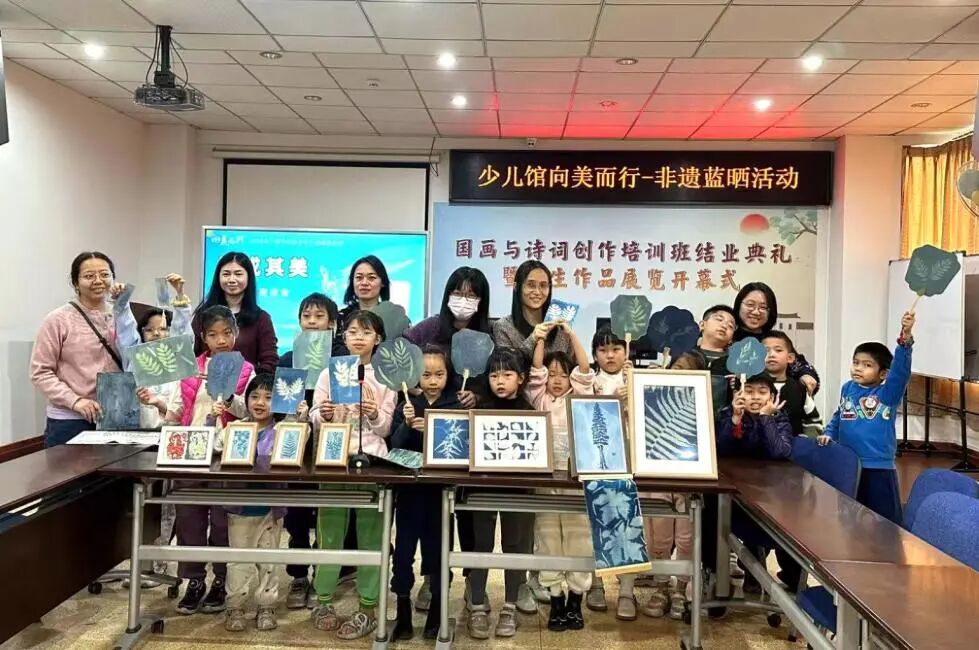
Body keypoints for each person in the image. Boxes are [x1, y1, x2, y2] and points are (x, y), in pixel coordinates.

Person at [402, 267, 486, 606]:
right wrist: (412, 387)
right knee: (433, 516)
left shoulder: (487, 333)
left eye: (472, 294)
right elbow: (400, 359)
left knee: (467, 514)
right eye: (458, 292)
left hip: (466, 436)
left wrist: (477, 396)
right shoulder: (428, 328)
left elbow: (498, 376)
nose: (464, 300)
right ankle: (432, 577)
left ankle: (472, 582)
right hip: (425, 436)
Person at [310, 310, 396, 640]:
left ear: (378, 338)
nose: (359, 338)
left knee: (372, 533)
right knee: (329, 531)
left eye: (366, 332)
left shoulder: (385, 376)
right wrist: (324, 414)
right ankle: (324, 600)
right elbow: (316, 417)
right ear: (343, 337)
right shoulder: (329, 373)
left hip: (372, 460)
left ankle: (368, 607)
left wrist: (374, 414)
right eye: (352, 332)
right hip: (333, 459)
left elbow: (386, 428)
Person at [167, 305, 254, 616]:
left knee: (222, 521)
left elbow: (250, 411)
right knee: (189, 519)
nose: (221, 340)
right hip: (191, 452)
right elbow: (177, 411)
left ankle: (220, 579)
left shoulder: (246, 370)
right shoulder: (190, 368)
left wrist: (229, 399)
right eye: (214, 334)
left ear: (236, 333)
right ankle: (194, 580)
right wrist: (157, 405)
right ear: (203, 337)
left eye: (227, 333)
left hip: (227, 455)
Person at [277, 292, 349, 610]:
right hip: (297, 445)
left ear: (332, 324)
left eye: (319, 316)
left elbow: (349, 405)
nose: (312, 322)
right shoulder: (287, 359)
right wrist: (295, 412)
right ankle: (297, 575)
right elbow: (279, 409)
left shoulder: (342, 361)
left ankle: (324, 572)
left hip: (332, 443)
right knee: (296, 511)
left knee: (327, 511)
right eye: (306, 316)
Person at [524, 322, 594, 632]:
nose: (555, 380)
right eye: (552, 375)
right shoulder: (538, 398)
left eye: (562, 375)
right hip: (545, 478)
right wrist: (541, 337)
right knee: (548, 536)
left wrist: (571, 333)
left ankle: (576, 599)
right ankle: (555, 599)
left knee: (579, 536)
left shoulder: (579, 395)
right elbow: (536, 369)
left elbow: (584, 368)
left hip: (576, 479)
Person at [389, 344, 462, 640]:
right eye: (426, 374)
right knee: (403, 553)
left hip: (440, 493)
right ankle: (403, 612)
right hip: (409, 491)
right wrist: (407, 425)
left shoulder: (456, 405)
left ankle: (437, 613)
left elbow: (461, 448)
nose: (432, 381)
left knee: (438, 553)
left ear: (448, 375)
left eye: (439, 374)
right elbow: (394, 446)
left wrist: (433, 430)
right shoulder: (407, 405)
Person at [817, 312, 915, 524]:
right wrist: (828, 433)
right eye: (856, 362)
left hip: (877, 468)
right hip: (848, 465)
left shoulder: (887, 394)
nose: (858, 368)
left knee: (884, 522)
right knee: (850, 518)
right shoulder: (848, 388)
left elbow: (900, 372)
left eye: (867, 365)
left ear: (883, 374)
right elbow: (839, 415)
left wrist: (905, 339)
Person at [467, 347, 537, 640]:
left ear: (520, 378)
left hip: (519, 490)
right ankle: (477, 604)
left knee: (516, 544)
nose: (500, 381)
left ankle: (510, 605)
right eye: (494, 375)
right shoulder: (479, 410)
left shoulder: (531, 413)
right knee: (480, 544)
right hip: (482, 490)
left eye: (507, 375)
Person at [701, 374, 794, 580]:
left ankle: (762, 572)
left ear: (772, 397)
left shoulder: (779, 417)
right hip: (731, 484)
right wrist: (735, 418)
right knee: (710, 508)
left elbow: (779, 452)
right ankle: (714, 573)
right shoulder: (728, 413)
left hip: (768, 488)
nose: (755, 397)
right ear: (739, 394)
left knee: (779, 513)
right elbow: (722, 449)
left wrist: (765, 418)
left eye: (762, 392)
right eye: (749, 391)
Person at [223, 373, 295, 633]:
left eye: (268, 397)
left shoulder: (283, 430)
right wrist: (211, 418)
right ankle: (235, 607)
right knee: (238, 562)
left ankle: (266, 605)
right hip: (240, 508)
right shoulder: (236, 428)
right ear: (246, 400)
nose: (260, 402)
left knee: (269, 560)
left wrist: (299, 418)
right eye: (254, 396)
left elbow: (298, 444)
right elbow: (217, 446)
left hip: (270, 509)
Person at [31, 252, 123, 447]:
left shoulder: (123, 315)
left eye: (105, 275)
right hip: (70, 420)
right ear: (75, 283)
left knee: (118, 468)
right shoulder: (58, 320)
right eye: (89, 276)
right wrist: (75, 401)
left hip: (117, 416)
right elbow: (40, 372)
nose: (98, 281)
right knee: (69, 467)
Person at [638, 351, 703, 620]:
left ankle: (681, 589)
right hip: (657, 476)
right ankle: (661, 587)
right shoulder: (653, 398)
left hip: (690, 480)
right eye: (677, 366)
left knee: (687, 538)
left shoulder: (702, 404)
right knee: (658, 536)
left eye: (689, 370)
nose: (681, 373)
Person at [585, 325, 631, 614]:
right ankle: (596, 584)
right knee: (595, 521)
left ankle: (627, 591)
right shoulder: (588, 381)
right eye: (603, 350)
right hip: (596, 459)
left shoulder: (635, 379)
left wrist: (633, 395)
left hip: (628, 461)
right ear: (594, 354)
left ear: (626, 351)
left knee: (627, 523)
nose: (610, 355)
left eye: (616, 349)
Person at [193, 252, 278, 373]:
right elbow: (191, 356)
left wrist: (248, 378)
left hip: (247, 383)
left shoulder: (261, 318)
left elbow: (270, 362)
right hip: (205, 382)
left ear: (249, 277)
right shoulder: (202, 315)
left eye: (238, 274)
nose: (232, 279)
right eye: (226, 274)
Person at [732, 282, 819, 394]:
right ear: (739, 305)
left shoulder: (773, 339)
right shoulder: (728, 338)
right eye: (750, 305)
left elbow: (800, 366)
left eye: (763, 307)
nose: (756, 311)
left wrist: (806, 375)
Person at [492, 260, 572, 361]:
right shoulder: (503, 327)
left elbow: (570, 364)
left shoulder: (560, 327)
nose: (537, 292)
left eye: (543, 285)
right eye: (531, 285)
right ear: (516, 287)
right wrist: (532, 339)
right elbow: (508, 365)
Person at [762, 331, 820, 437]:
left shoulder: (800, 389)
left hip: (794, 443)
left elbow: (813, 421)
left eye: (778, 350)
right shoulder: (752, 389)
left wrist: (807, 440)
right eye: (765, 351)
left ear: (790, 358)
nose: (771, 354)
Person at [697, 305, 737, 416]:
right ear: (702, 325)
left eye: (730, 326)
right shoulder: (684, 356)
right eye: (719, 320)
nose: (724, 325)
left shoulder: (737, 363)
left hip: (725, 421)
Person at [336, 255, 390, 339]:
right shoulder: (341, 317)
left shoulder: (394, 317)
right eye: (359, 277)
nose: (364, 283)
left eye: (371, 277)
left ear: (383, 282)